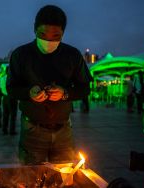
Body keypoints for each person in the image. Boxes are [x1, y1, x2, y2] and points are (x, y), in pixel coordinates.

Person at [7, 5, 92, 164]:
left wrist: (65, 93)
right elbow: (11, 88)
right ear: (34, 29)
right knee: (30, 177)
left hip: (64, 130)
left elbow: (85, 88)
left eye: (56, 36)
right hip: (32, 128)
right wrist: (29, 93)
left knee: (64, 176)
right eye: (43, 34)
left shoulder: (72, 55)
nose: (48, 41)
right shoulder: (20, 55)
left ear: (63, 33)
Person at [0, 65, 18, 135]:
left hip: (5, 98)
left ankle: (4, 129)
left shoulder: (2, 78)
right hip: (12, 97)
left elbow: (0, 88)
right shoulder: (12, 78)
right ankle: (12, 131)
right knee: (13, 114)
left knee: (5, 114)